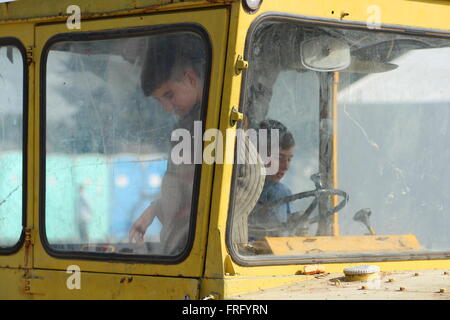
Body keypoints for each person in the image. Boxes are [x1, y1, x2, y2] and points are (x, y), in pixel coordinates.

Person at [128, 33, 206, 255]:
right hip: (181, 248)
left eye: (169, 95)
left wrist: (202, 226)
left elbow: (244, 183)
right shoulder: (186, 128)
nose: (167, 107)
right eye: (160, 100)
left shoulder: (217, 123)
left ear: (191, 78)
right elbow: (186, 189)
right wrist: (154, 210)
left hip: (198, 247)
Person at [248, 119, 295, 241]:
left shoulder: (284, 193)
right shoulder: (241, 191)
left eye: (289, 159)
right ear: (259, 154)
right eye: (279, 157)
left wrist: (296, 223)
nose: (286, 166)